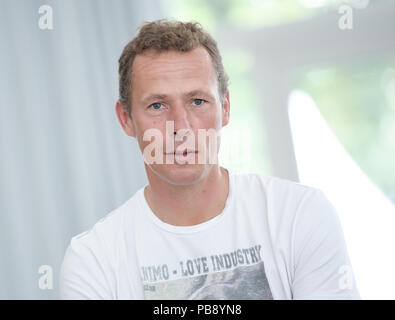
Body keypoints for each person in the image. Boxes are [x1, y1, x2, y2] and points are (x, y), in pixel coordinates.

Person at [59, 19, 360, 300]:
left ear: (225, 108)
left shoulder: (300, 216)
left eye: (198, 101)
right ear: (126, 119)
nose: (181, 126)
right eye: (157, 105)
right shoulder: (94, 260)